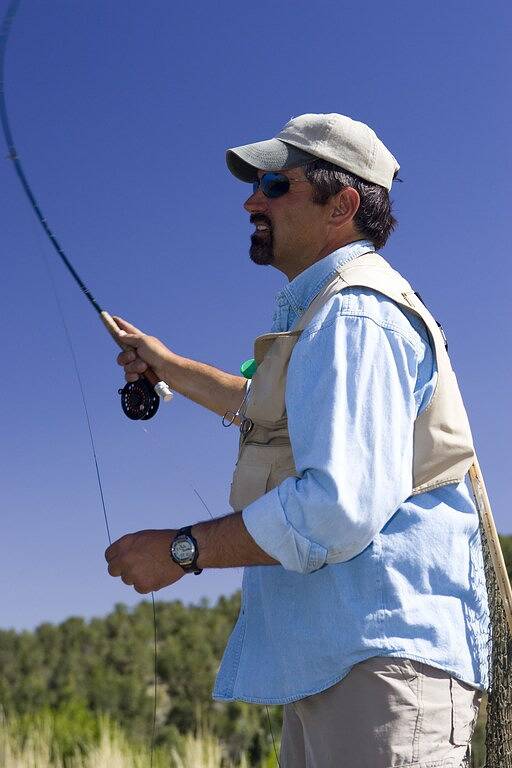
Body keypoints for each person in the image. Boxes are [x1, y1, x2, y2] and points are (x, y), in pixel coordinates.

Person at [105, 113, 489, 767]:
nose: (252, 201)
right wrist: (167, 366)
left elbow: (337, 507)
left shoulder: (356, 315)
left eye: (276, 185)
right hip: (340, 664)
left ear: (342, 205)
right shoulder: (330, 315)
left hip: (381, 669)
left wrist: (181, 550)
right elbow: (264, 408)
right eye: (256, 185)